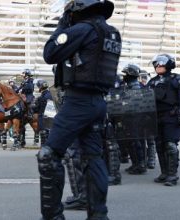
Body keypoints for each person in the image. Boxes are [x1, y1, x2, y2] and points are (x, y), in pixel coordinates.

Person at [38, 0, 121, 219]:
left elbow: (49, 53)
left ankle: (53, 216)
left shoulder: (83, 29)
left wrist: (61, 26)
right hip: (98, 103)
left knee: (48, 155)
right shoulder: (111, 33)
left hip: (78, 102)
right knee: (93, 157)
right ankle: (98, 215)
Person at [147, 54, 180, 186]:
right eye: (156, 64)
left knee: (170, 145)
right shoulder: (152, 82)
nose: (158, 66)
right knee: (159, 146)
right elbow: (144, 101)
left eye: (161, 64)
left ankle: (172, 175)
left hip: (172, 116)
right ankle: (164, 173)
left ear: (169, 64)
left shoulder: (178, 78)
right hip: (155, 117)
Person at [118, 64, 147, 175]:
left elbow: (133, 105)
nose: (123, 76)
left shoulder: (135, 88)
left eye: (125, 74)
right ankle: (135, 164)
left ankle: (140, 164)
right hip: (128, 118)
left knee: (136, 142)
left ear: (131, 74)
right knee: (130, 142)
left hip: (135, 118)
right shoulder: (127, 87)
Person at [34, 79, 53, 145]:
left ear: (40, 87)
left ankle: (43, 148)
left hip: (43, 116)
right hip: (52, 116)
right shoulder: (51, 94)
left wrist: (33, 106)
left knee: (43, 133)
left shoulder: (41, 97)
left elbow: (37, 108)